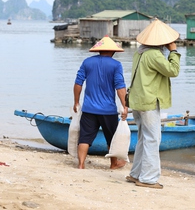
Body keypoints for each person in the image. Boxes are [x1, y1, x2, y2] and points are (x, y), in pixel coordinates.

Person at [125, 18, 181, 189]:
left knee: (143, 138)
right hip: (148, 102)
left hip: (137, 100)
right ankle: (148, 178)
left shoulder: (140, 52)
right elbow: (173, 70)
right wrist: (174, 51)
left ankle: (136, 174)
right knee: (152, 139)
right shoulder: (154, 55)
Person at [73, 36, 128, 170]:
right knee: (111, 138)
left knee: (85, 137)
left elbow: (78, 83)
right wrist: (125, 105)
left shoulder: (87, 62)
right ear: (113, 51)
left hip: (88, 109)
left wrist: (76, 102)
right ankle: (113, 164)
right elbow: (120, 87)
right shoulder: (116, 65)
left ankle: (81, 164)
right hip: (108, 110)